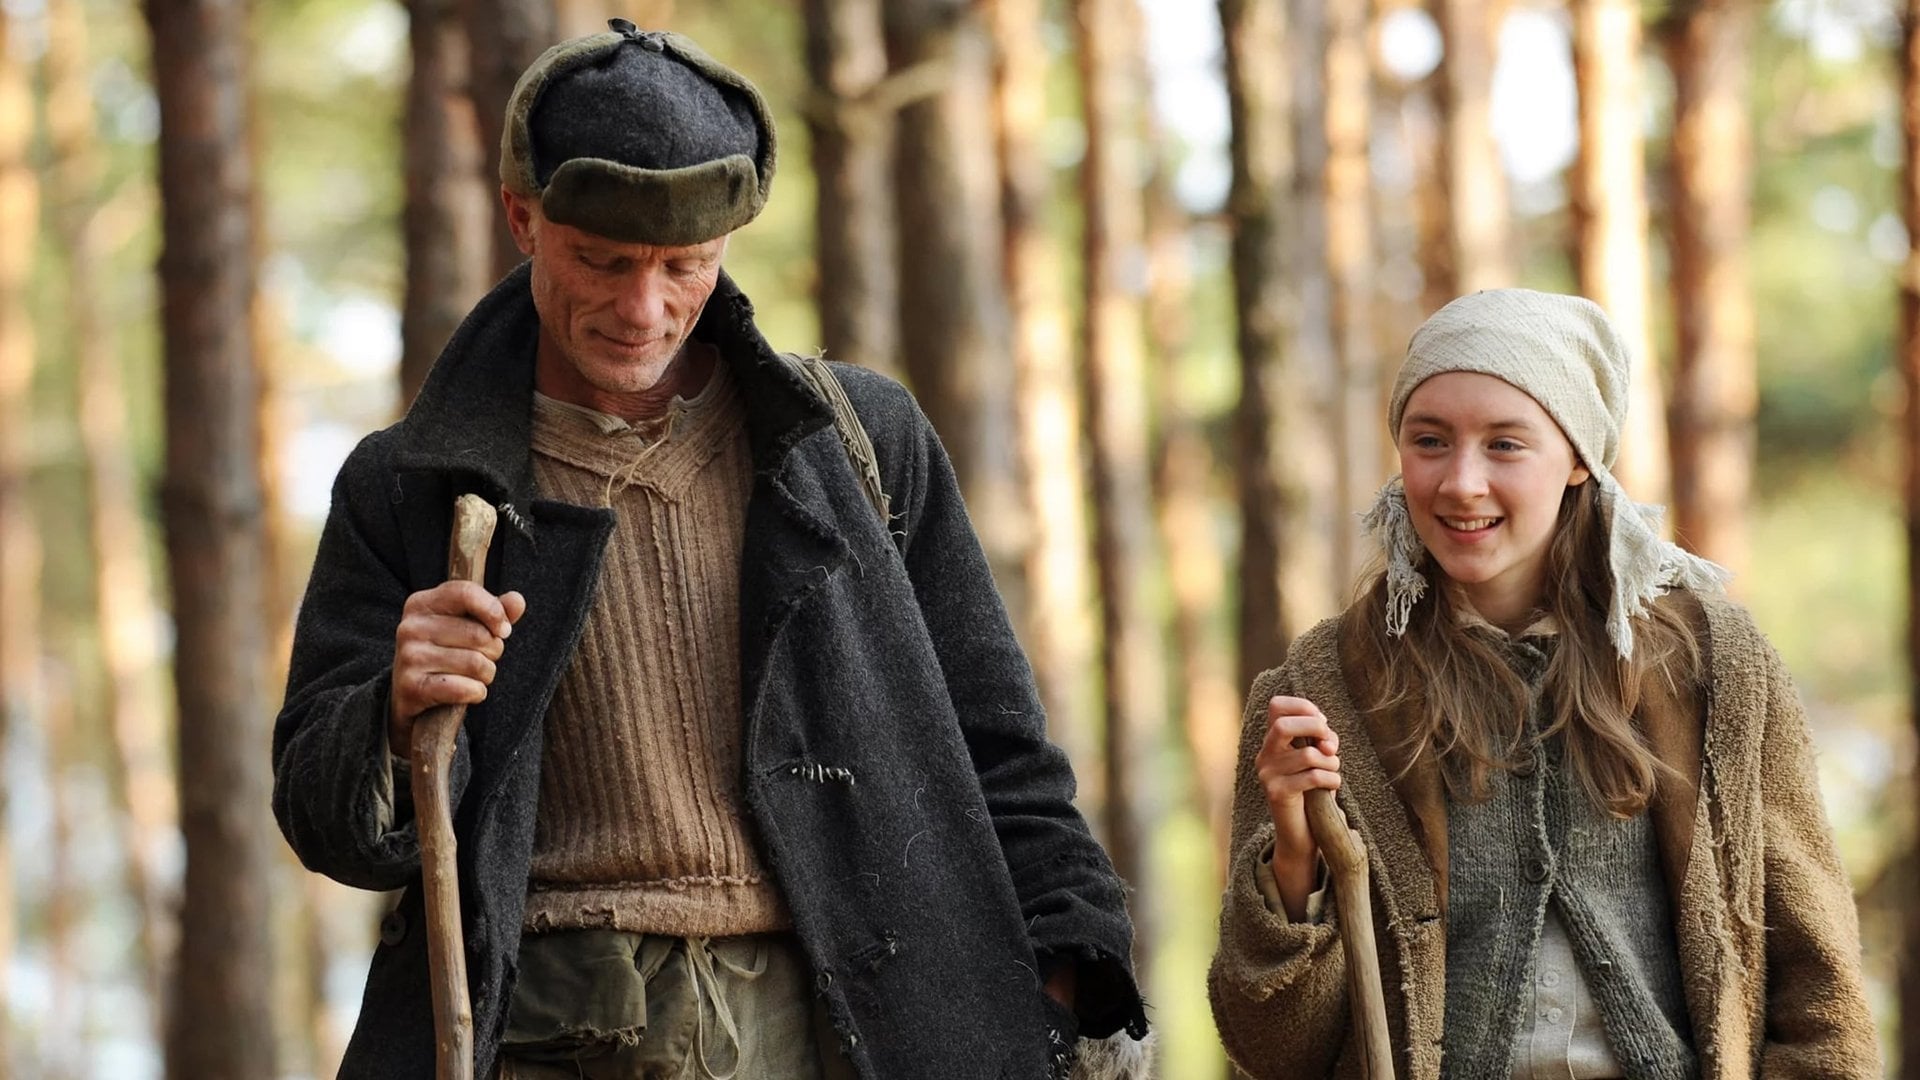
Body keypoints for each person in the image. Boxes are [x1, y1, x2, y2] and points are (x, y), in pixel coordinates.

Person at [272, 21, 1147, 1080]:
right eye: (602, 261)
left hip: (842, 1025)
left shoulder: (857, 445)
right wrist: (395, 712)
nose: (644, 310)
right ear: (523, 218)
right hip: (540, 1029)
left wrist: (1069, 987)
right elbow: (330, 828)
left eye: (682, 265)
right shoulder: (409, 484)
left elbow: (1000, 749)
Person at [1208, 289, 1880, 1079]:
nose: (1460, 482)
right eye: (1430, 441)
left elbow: (1820, 988)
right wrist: (1294, 860)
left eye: (1505, 445)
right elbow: (1272, 1048)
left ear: (1577, 461)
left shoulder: (1713, 667)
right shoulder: (1328, 688)